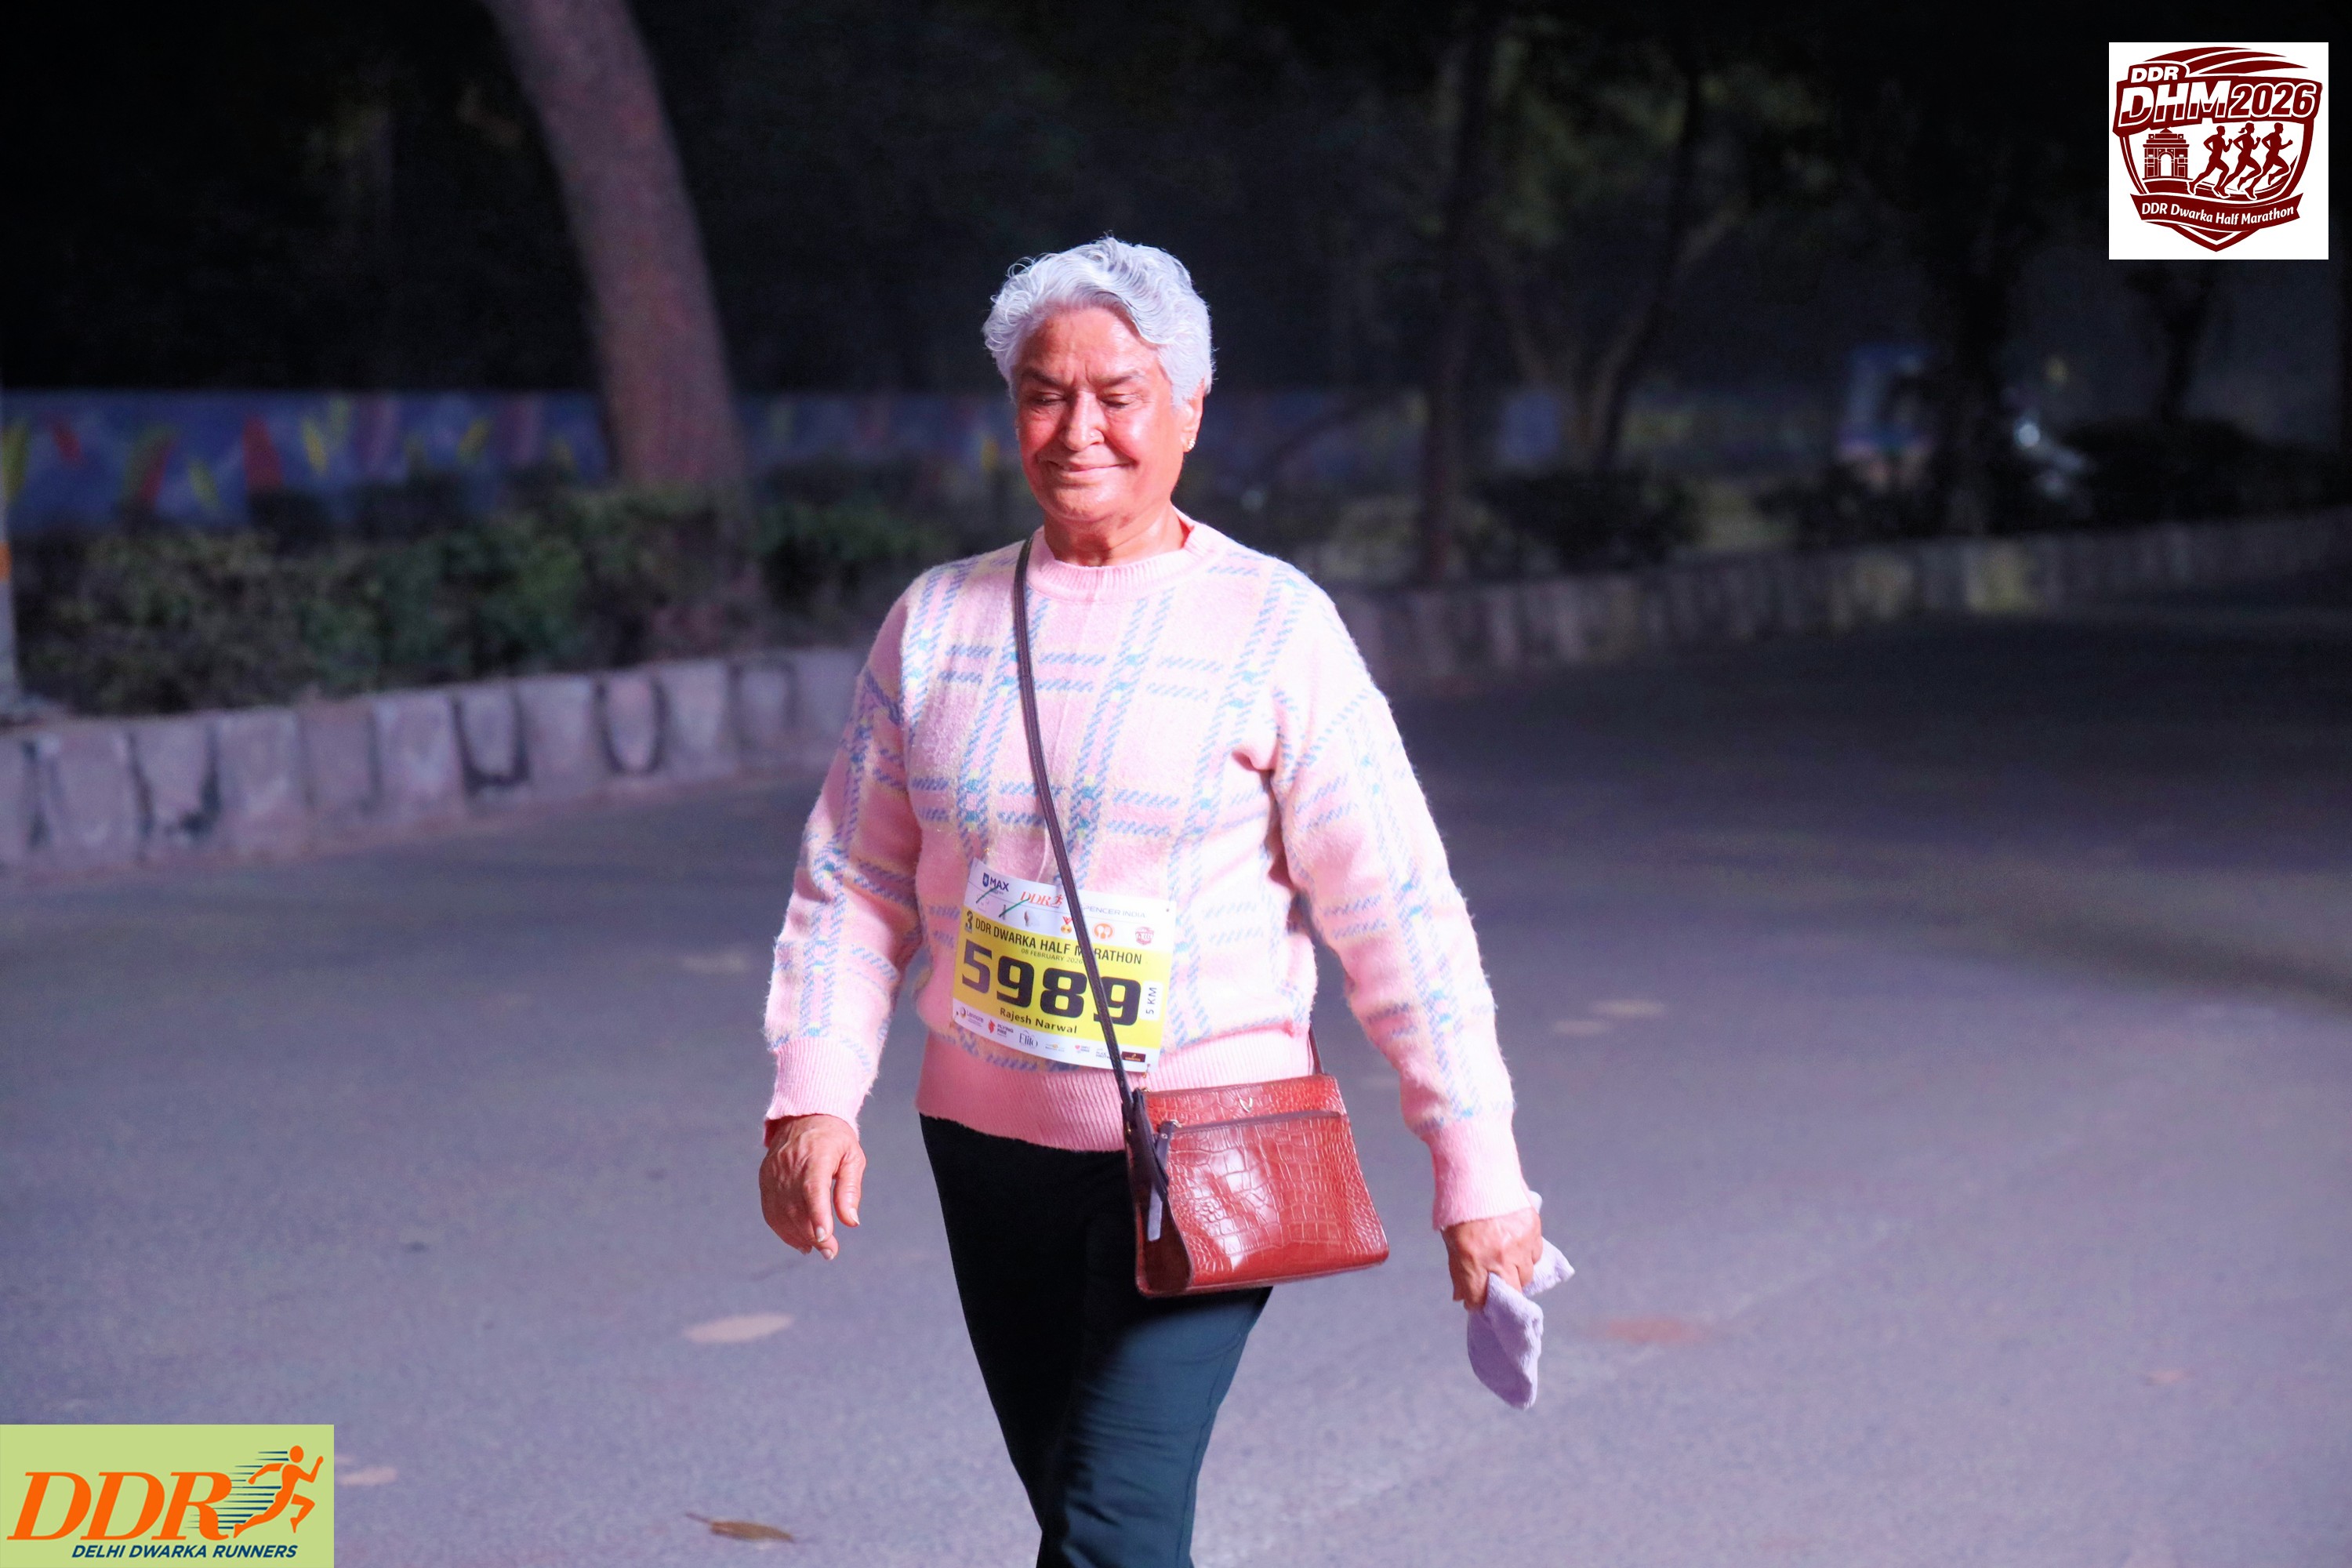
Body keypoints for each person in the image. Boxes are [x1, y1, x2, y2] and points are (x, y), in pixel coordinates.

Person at [757, 237, 1542, 1566]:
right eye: (1044, 395)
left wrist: (1479, 1171)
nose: (1080, 431)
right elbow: (855, 880)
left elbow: (1399, 915)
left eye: (1118, 395)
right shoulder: (937, 620)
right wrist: (813, 1096)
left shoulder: (1273, 628)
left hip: (1210, 1149)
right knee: (1078, 1502)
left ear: (1189, 408)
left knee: (1110, 1525)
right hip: (986, 1148)